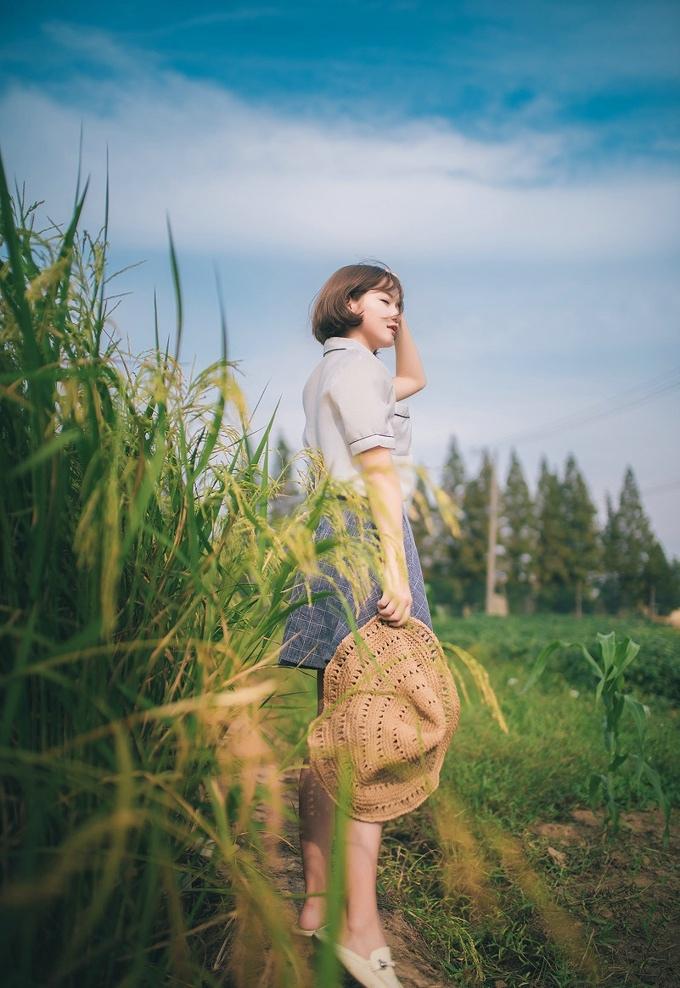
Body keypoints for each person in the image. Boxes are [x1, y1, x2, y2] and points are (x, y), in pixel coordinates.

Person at [277, 262, 433, 985]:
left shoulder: (333, 371)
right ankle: (357, 927)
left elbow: (418, 380)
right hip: (364, 540)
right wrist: (394, 573)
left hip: (320, 538)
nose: (396, 313)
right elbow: (377, 469)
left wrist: (399, 324)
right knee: (372, 732)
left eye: (400, 303)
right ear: (348, 302)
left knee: (331, 723)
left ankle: (315, 902)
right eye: (384, 299)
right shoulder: (359, 374)